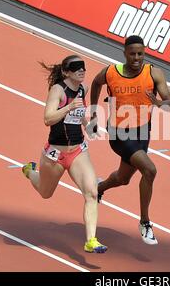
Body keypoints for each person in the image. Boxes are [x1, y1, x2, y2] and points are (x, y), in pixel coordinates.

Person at [88, 35, 170, 245]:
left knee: (123, 179)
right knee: (150, 170)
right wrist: (93, 113)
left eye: (141, 54)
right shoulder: (111, 72)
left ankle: (98, 189)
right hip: (119, 134)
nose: (137, 58)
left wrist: (158, 103)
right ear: (125, 53)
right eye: (133, 54)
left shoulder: (154, 73)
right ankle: (145, 222)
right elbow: (95, 82)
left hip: (143, 133)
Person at [22, 55, 107, 253]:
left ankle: (91, 240)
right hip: (55, 154)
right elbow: (48, 118)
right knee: (45, 193)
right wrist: (67, 107)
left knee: (92, 192)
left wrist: (88, 126)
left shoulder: (83, 88)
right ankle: (29, 172)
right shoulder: (58, 90)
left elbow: (78, 115)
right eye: (76, 68)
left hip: (78, 151)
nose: (82, 70)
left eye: (83, 67)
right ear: (66, 72)